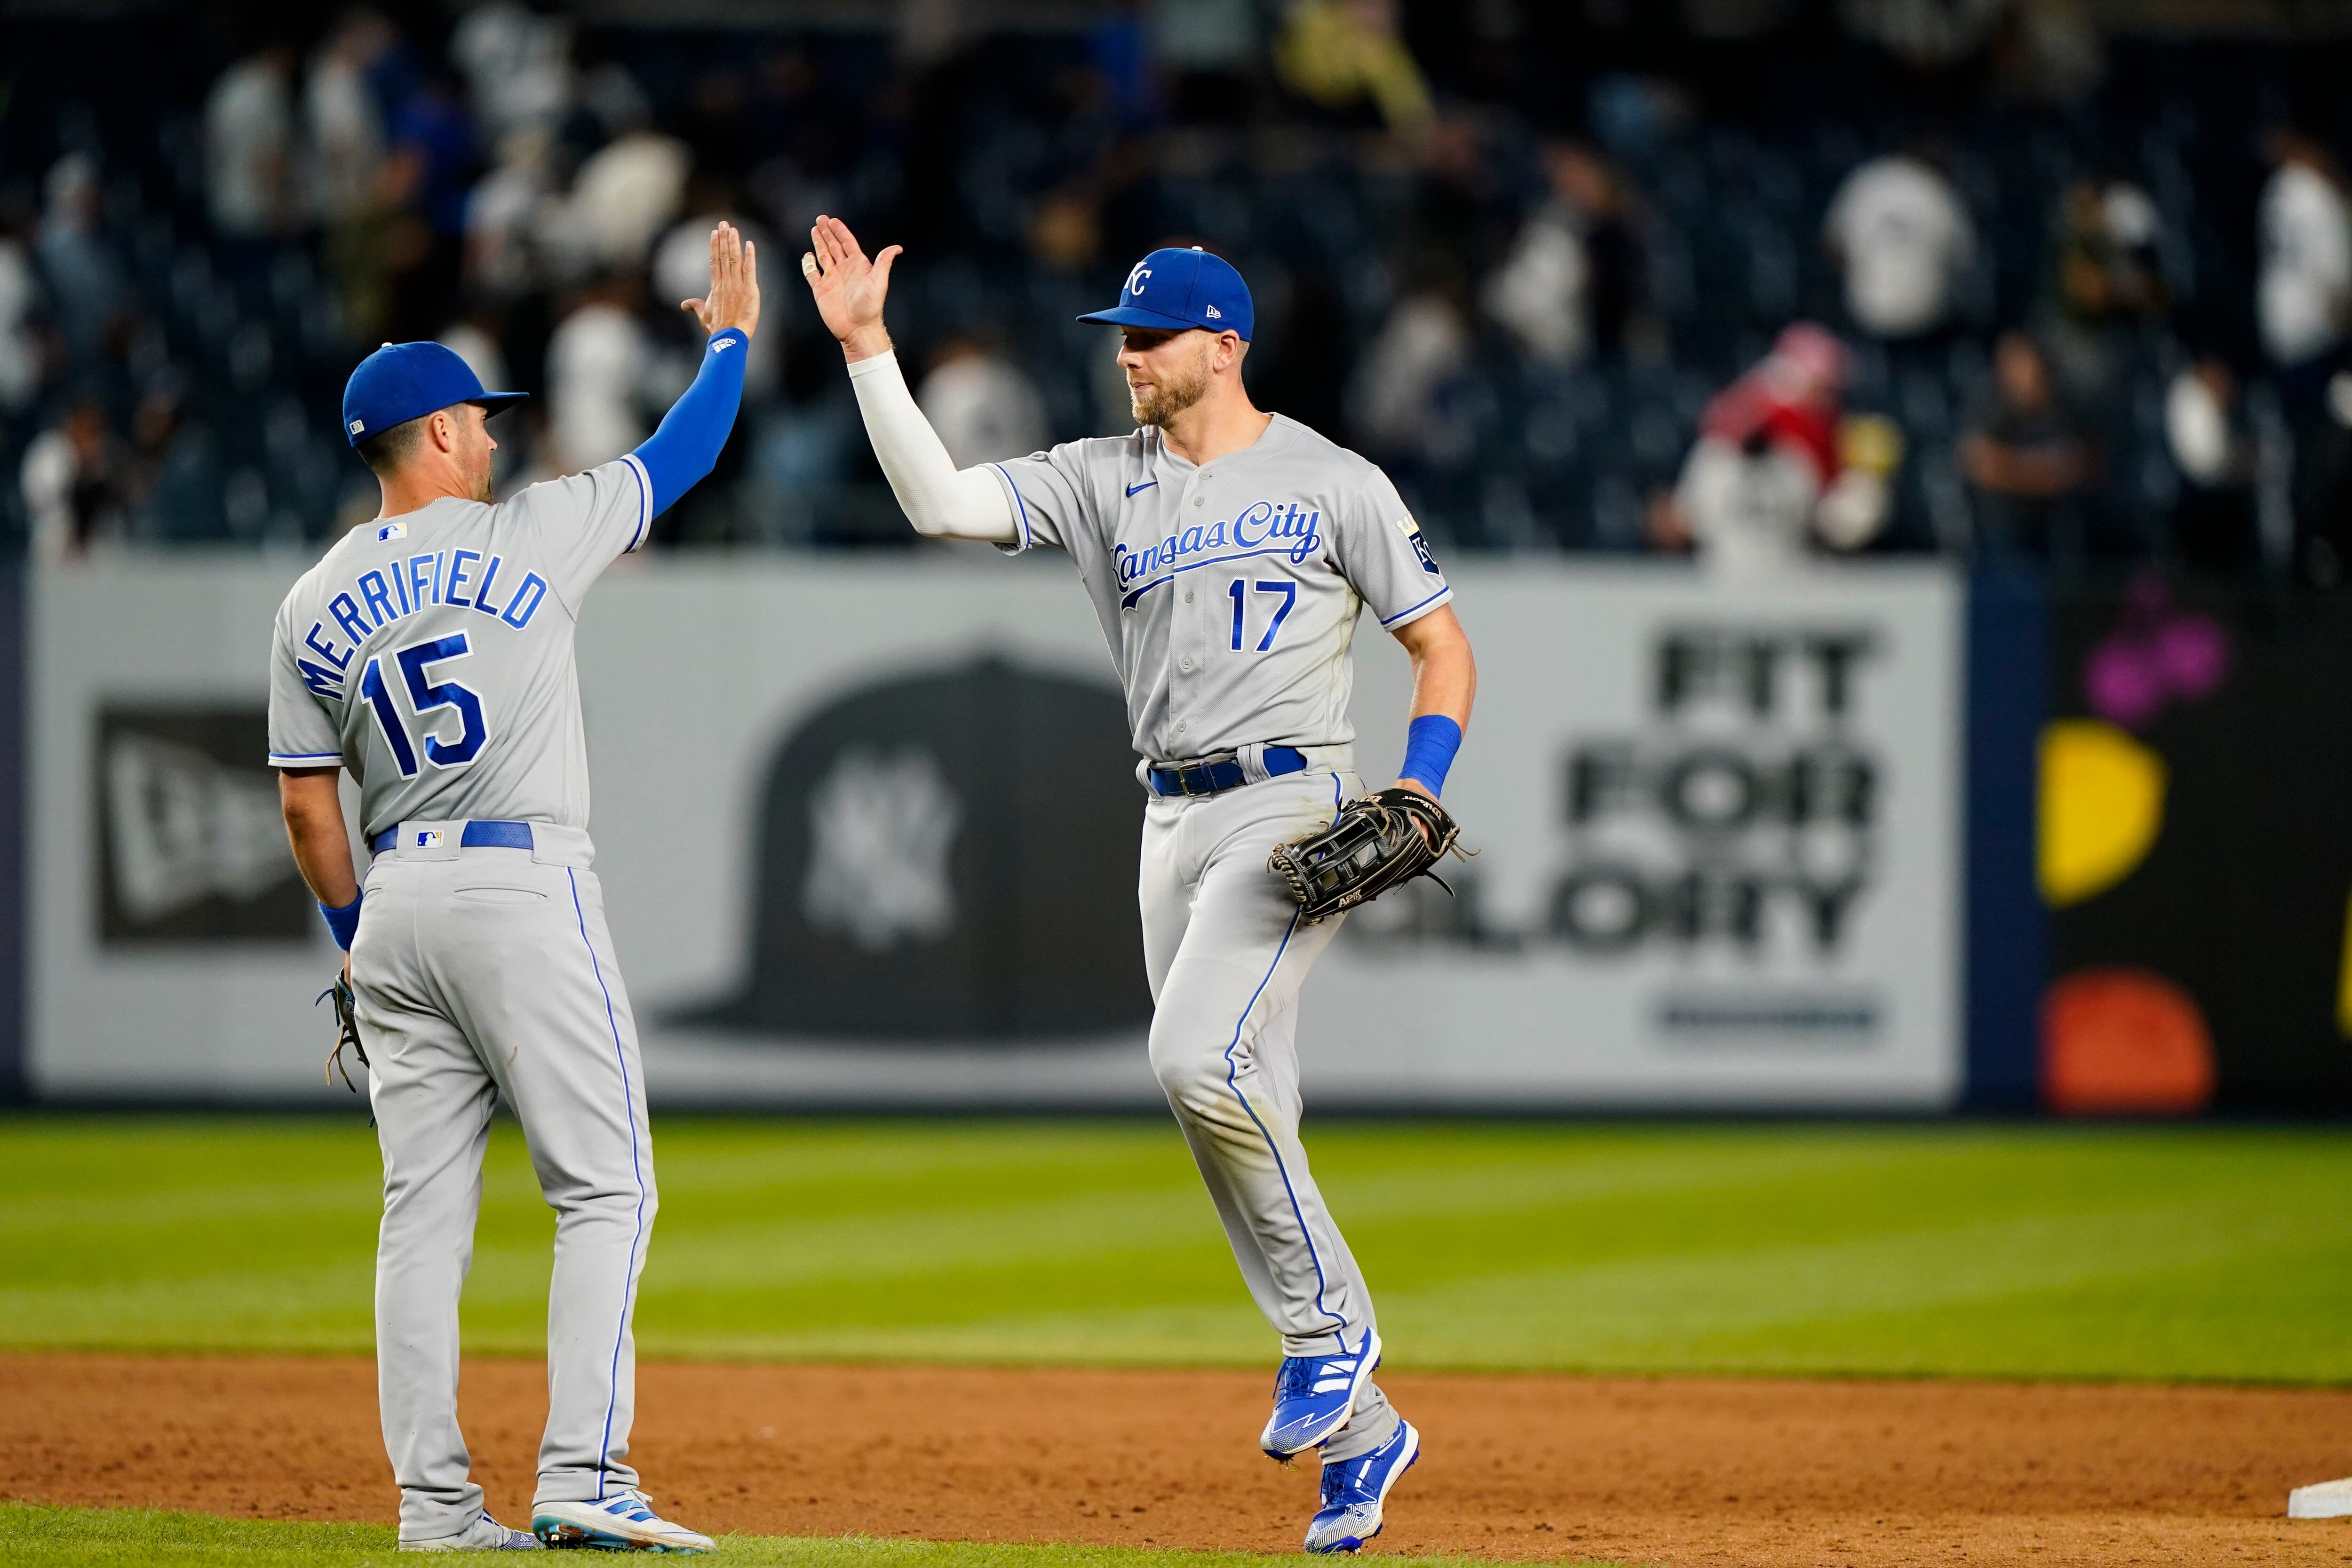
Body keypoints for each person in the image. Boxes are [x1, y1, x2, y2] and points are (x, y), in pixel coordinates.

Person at [804, 224, 1477, 1555]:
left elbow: (1441, 644)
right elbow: (942, 504)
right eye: (1119, 335)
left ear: (1225, 346)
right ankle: (1362, 1432)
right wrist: (868, 349)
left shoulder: (1335, 479)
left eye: (1149, 336)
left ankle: (1336, 1334)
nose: (1127, 355)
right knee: (1237, 1104)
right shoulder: (1100, 476)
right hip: (1167, 820)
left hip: (1292, 804)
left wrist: (1424, 781)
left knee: (1195, 1057)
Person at [268, 221, 761, 1554]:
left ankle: (436, 1507)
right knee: (606, 1190)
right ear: (432, 434)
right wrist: (728, 340)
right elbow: (687, 454)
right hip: (521, 883)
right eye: (474, 421)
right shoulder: (534, 532)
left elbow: (309, 803)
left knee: (419, 1217)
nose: (490, 437)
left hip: (399, 903)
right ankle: (584, 1471)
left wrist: (357, 941)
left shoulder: (312, 601)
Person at [1664, 324, 1891, 575]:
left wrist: (1865, 483)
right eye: (1819, 389)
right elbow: (1682, 521)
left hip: (1793, 580)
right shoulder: (1719, 453)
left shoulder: (1809, 452)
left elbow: (1842, 526)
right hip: (1725, 579)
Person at [1960, 330, 2096, 562]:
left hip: (2061, 531)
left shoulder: (2069, 406)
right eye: (2011, 365)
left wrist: (2012, 469)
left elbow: (2084, 465)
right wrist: (2041, 472)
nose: (2019, 374)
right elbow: (1977, 462)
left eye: (2024, 363)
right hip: (2005, 534)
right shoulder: (1989, 407)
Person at [1823, 148, 1975, 341]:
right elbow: (1964, 258)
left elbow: (1831, 245)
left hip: (1874, 315)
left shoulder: (1867, 179)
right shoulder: (1936, 187)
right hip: (1922, 318)